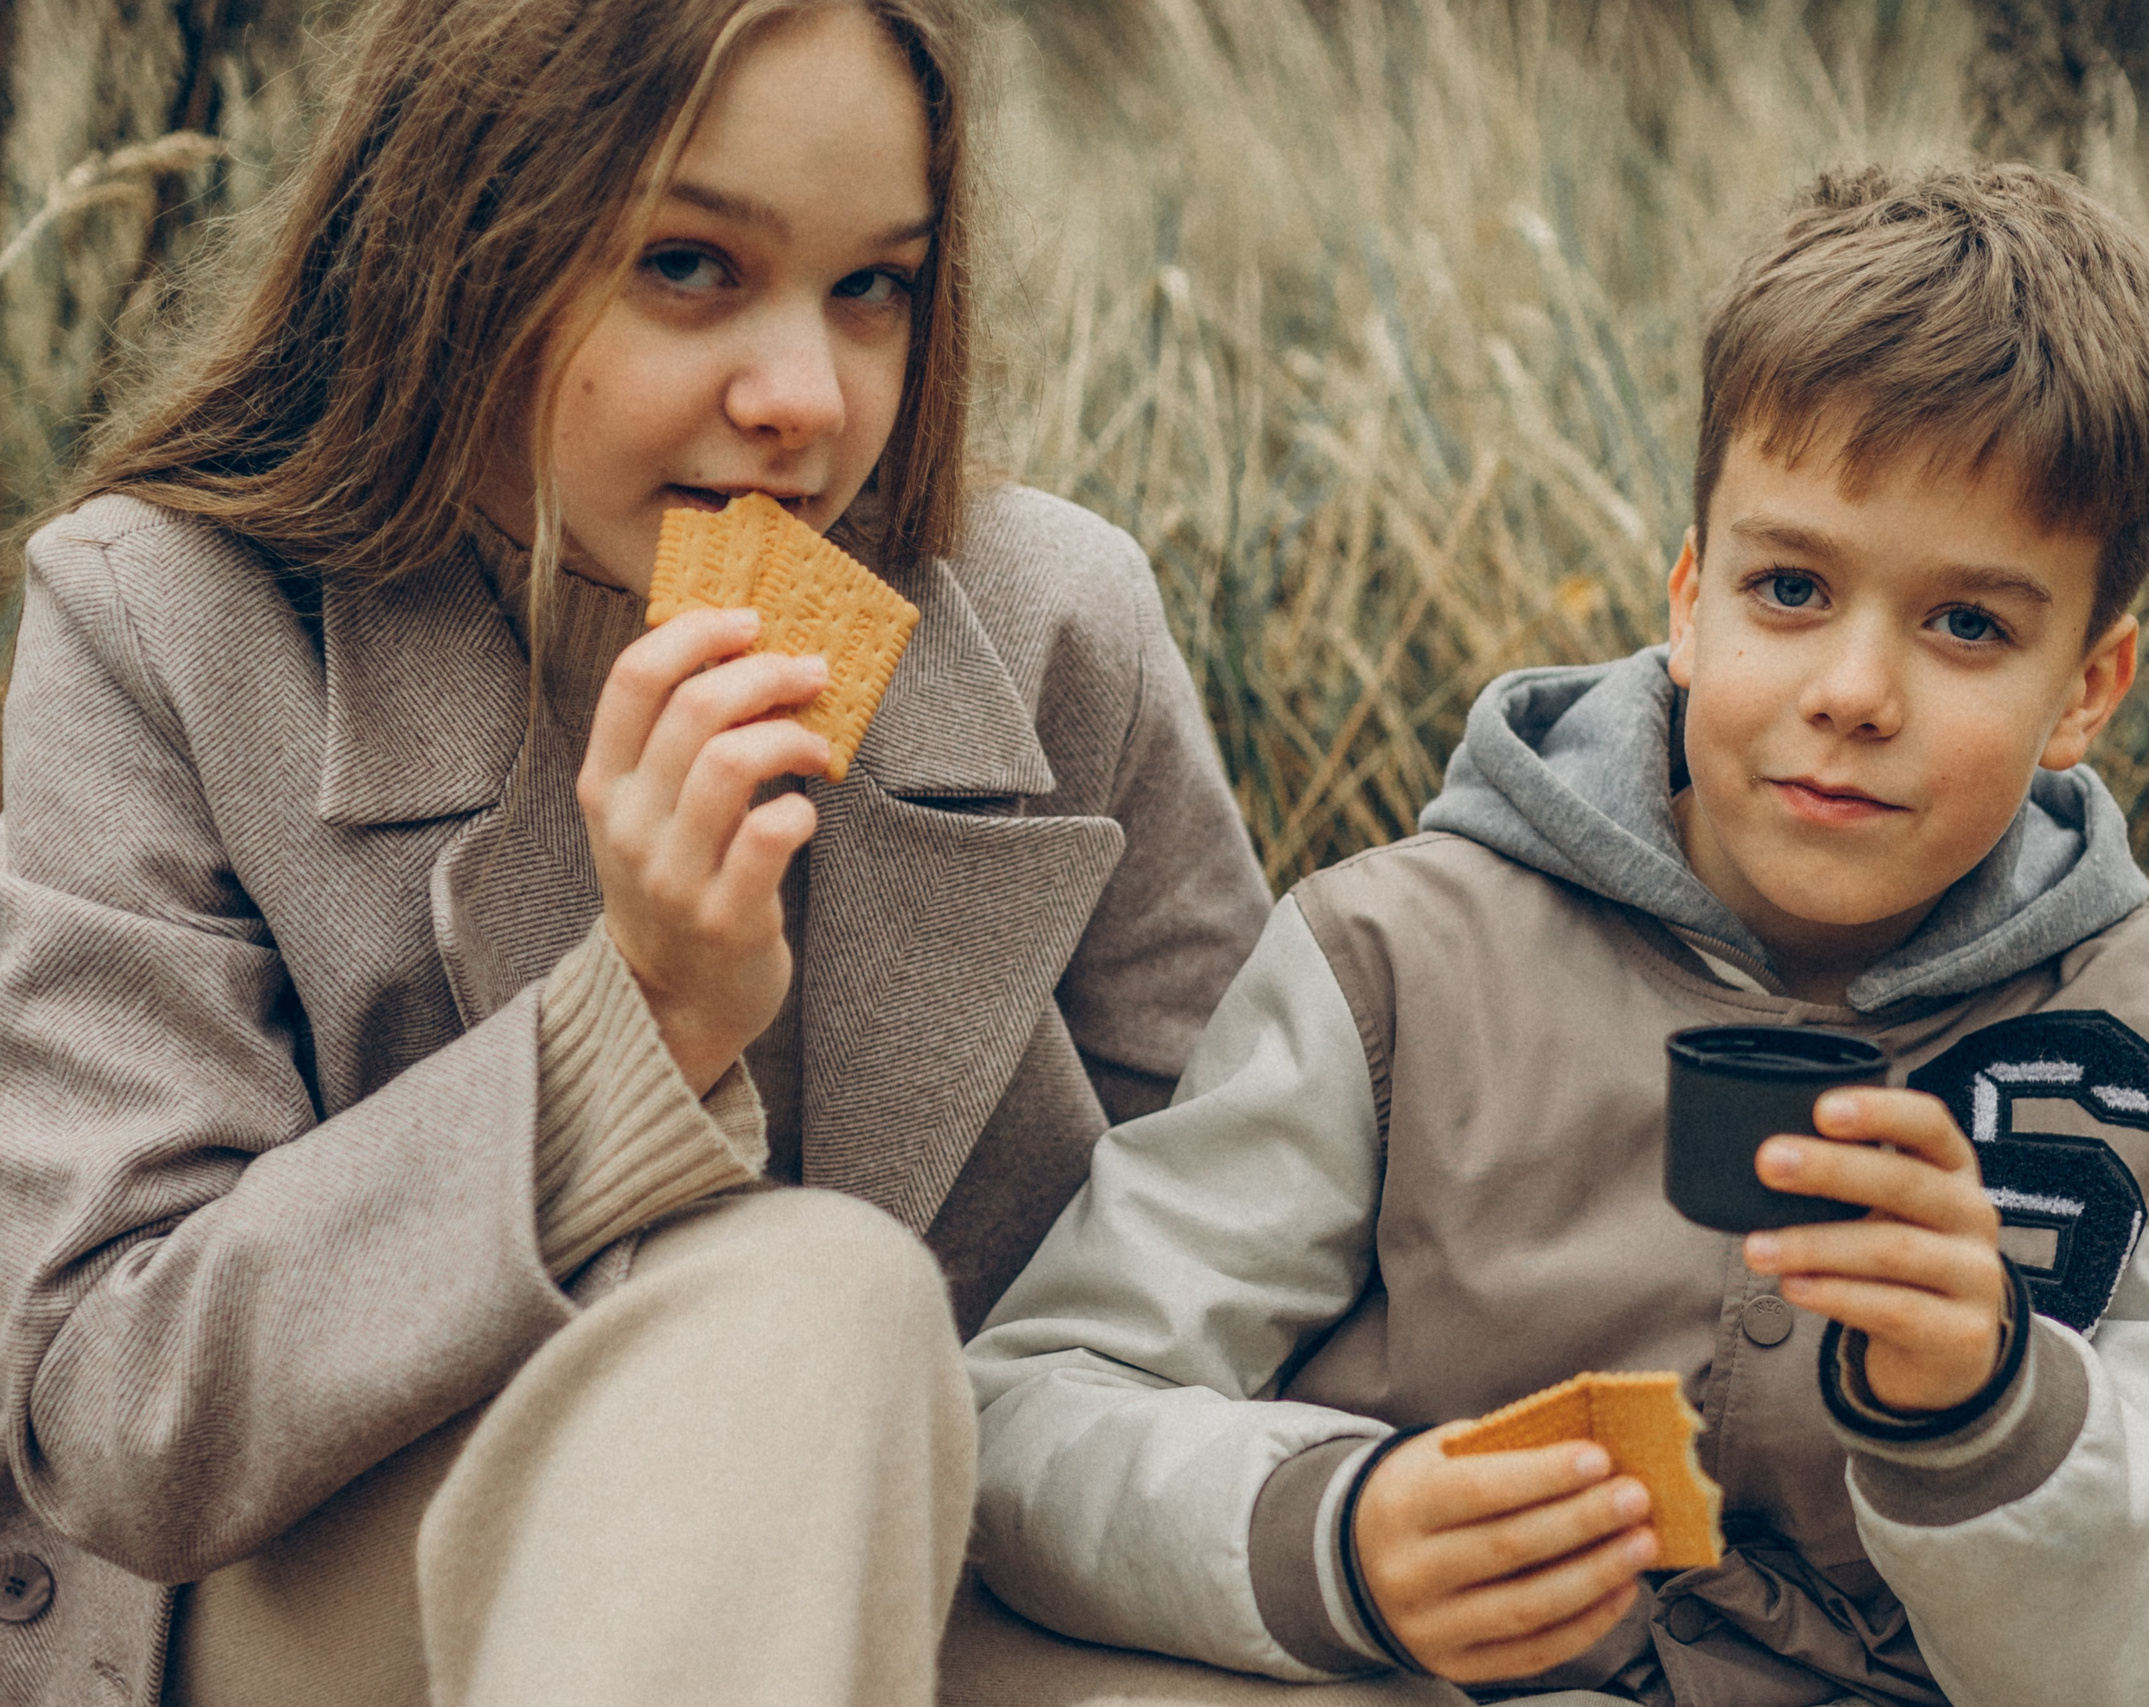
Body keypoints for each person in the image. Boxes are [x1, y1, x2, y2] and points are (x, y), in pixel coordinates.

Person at [0, 0, 1271, 1702]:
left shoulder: (1056, 620)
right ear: (459, 246)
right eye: (689, 263)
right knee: (813, 1302)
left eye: (873, 285)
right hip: (339, 1600)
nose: (806, 400)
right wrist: (642, 1027)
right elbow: (112, 1413)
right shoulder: (165, 623)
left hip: (958, 1557)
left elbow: (1264, 1229)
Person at [965, 163, 2149, 1707]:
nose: (1856, 691)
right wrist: (1340, 1541)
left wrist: (1996, 1410)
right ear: (1691, 601)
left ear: (2087, 687)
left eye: (1970, 626)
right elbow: (1032, 1419)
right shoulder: (1393, 959)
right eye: (1793, 587)